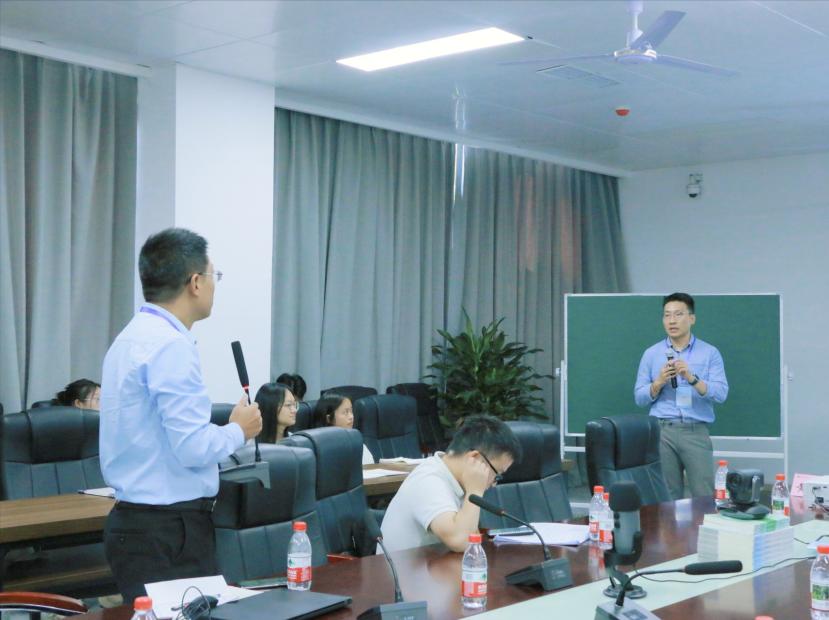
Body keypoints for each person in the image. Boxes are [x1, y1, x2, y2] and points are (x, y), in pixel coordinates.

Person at [99, 228, 262, 603]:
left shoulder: (129, 339)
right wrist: (239, 430)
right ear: (195, 282)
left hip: (140, 524)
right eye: (214, 276)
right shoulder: (170, 345)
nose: (215, 285)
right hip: (168, 530)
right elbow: (193, 448)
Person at [634, 292, 729, 500]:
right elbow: (639, 397)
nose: (672, 320)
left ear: (691, 318)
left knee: (703, 495)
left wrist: (692, 378)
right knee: (667, 496)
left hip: (695, 431)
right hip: (662, 431)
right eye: (667, 315)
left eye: (678, 314)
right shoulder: (651, 354)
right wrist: (658, 382)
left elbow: (721, 393)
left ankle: (701, 523)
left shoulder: (709, 353)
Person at [380, 414, 521, 553]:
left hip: (432, 564)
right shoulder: (429, 480)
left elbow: (473, 537)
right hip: (396, 568)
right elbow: (461, 542)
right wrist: (475, 491)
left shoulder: (455, 478)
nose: (493, 484)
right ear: (475, 458)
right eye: (496, 474)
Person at [313, 392, 374, 464]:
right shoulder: (319, 448)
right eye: (345, 412)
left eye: (351, 411)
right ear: (329, 418)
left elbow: (370, 466)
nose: (351, 417)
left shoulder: (355, 441)